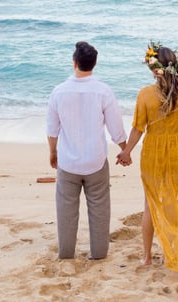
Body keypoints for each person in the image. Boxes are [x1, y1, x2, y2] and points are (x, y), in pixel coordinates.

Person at [117, 41, 178, 274]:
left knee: (150, 204)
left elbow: (138, 129)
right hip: (177, 148)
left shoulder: (145, 95)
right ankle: (177, 251)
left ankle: (146, 257)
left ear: (153, 68)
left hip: (153, 150)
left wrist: (126, 152)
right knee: (176, 201)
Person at [46, 41, 127, 260]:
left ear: (74, 63)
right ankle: (99, 254)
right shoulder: (103, 91)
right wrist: (124, 149)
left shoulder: (59, 92)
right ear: (95, 63)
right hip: (96, 161)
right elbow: (115, 127)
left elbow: (52, 130)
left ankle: (66, 253)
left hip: (68, 162)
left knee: (66, 210)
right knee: (99, 209)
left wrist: (53, 152)